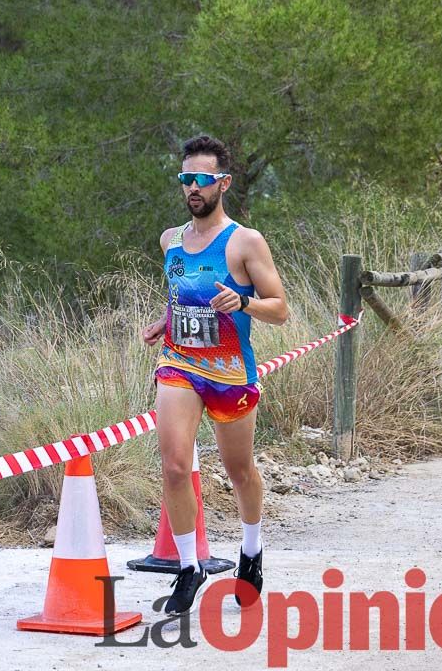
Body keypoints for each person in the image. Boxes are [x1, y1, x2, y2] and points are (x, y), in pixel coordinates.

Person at [140, 134, 288, 616]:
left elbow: (280, 309)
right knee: (176, 466)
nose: (193, 188)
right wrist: (169, 318)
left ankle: (251, 551)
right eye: (186, 179)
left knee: (240, 470)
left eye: (202, 179)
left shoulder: (245, 241)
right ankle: (189, 567)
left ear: (223, 183)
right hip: (179, 365)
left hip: (230, 372)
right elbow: (182, 292)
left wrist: (243, 301)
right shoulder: (170, 240)